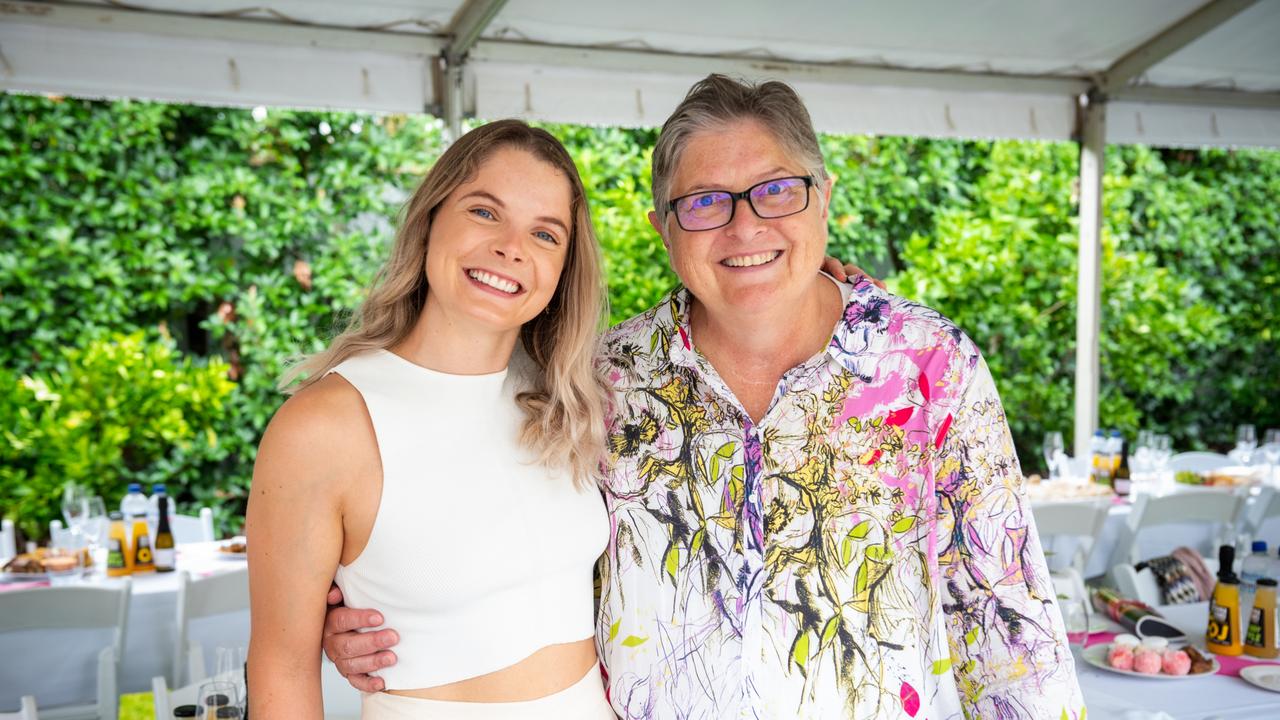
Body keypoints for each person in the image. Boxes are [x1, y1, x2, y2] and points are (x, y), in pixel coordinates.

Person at [326, 75, 1084, 719]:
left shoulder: (929, 366)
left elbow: (1006, 614)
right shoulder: (602, 375)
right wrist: (364, 602)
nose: (745, 226)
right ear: (663, 229)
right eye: (705, 202)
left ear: (824, 199)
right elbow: (492, 533)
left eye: (776, 192)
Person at [246, 119, 618, 718]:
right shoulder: (325, 425)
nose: (512, 248)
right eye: (485, 212)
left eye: (545, 234)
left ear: (563, 267)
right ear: (431, 219)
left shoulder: (569, 401)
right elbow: (281, 670)